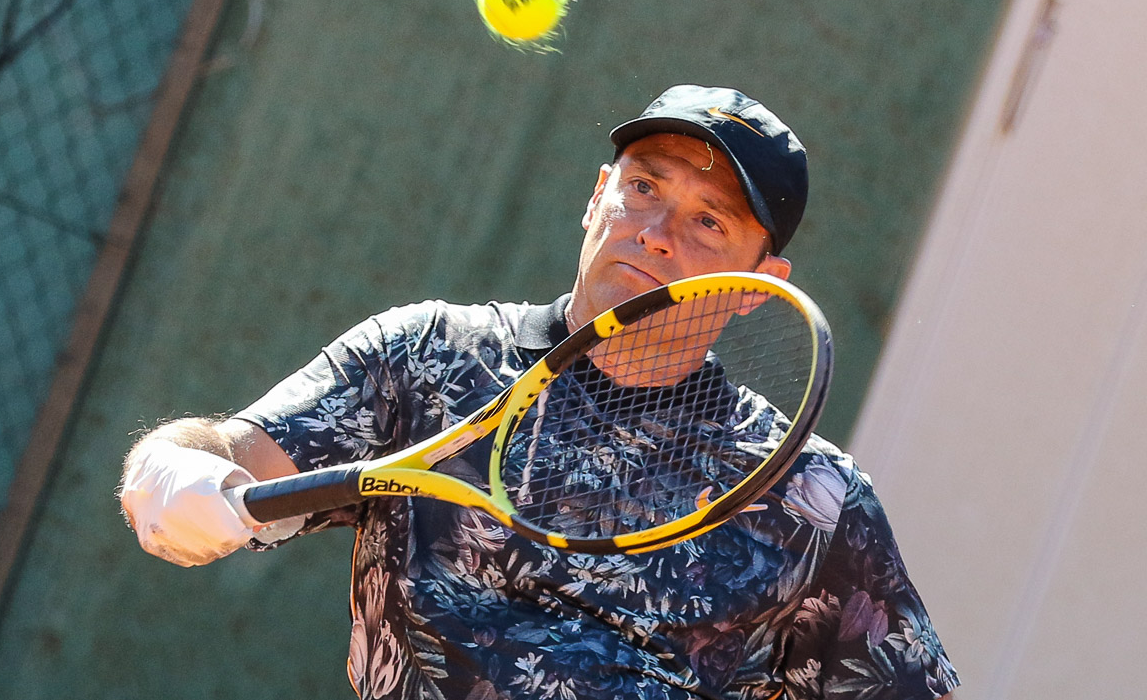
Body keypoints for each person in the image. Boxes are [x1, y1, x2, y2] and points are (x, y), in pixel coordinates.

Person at [120, 84, 960, 700]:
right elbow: (233, 452)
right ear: (597, 197)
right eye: (645, 187)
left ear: (755, 281)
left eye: (709, 221)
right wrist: (175, 473)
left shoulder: (810, 497)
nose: (659, 233)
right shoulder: (426, 357)